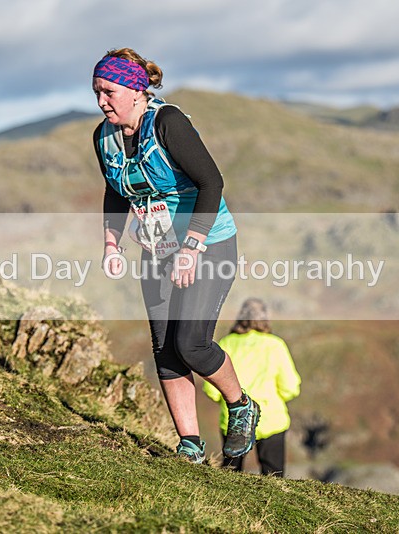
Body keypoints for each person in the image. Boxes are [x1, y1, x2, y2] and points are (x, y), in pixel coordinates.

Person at [92, 48, 260, 464]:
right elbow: (116, 192)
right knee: (165, 348)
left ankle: (240, 405)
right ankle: (190, 446)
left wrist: (191, 248)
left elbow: (211, 182)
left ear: (135, 90)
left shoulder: (167, 122)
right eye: (96, 92)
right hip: (156, 249)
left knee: (192, 344)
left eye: (108, 91)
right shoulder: (104, 137)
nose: (101, 101)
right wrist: (112, 244)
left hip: (208, 243)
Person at [203, 298, 301, 476]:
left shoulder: (226, 344)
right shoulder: (275, 345)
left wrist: (227, 400)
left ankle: (223, 503)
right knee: (274, 476)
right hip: (271, 419)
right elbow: (290, 387)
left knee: (230, 473)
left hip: (235, 419)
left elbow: (211, 389)